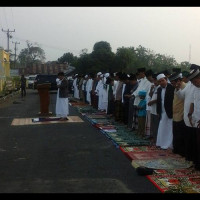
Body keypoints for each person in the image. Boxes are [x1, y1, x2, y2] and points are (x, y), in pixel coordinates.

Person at [169, 72, 186, 157]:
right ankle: (176, 150)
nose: (172, 85)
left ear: (178, 80)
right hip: (175, 114)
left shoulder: (185, 87)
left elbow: (183, 99)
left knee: (180, 135)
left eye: (173, 83)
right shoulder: (176, 87)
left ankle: (181, 152)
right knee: (175, 134)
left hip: (181, 114)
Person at [156, 73, 174, 150]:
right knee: (162, 127)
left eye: (162, 80)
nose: (161, 82)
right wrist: (158, 111)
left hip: (170, 111)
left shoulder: (171, 87)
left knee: (169, 128)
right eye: (160, 81)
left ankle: (169, 145)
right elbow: (158, 101)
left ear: (166, 80)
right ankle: (161, 143)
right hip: (162, 111)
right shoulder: (159, 89)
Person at [187, 68, 200, 170]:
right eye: (192, 82)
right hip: (196, 121)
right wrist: (190, 115)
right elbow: (192, 102)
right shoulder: (195, 88)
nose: (194, 84)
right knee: (197, 143)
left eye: (195, 81)